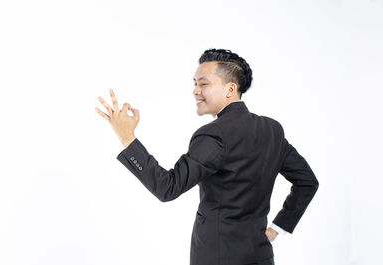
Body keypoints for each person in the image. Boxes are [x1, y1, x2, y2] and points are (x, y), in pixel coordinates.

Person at [95, 48, 319, 265]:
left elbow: (167, 188)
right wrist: (278, 228)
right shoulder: (271, 129)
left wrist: (127, 138)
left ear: (230, 89)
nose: (195, 90)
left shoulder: (214, 134)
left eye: (204, 83)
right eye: (195, 83)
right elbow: (307, 181)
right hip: (260, 255)